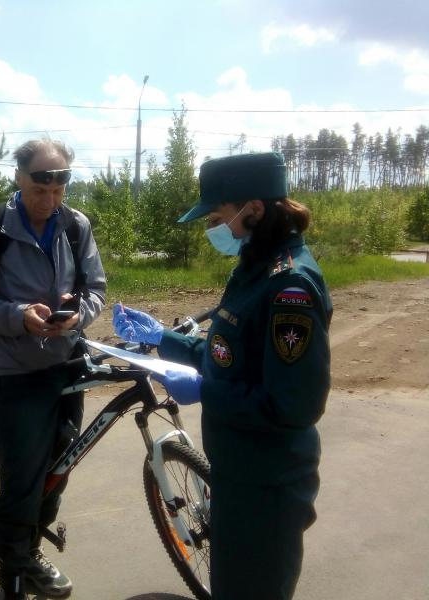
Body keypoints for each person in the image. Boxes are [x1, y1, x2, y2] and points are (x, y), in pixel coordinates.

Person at [113, 152, 332, 600]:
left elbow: (292, 406)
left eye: (217, 217)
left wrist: (205, 392)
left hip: (267, 487)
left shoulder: (289, 287)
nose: (212, 228)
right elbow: (226, 353)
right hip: (238, 475)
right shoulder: (253, 270)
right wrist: (161, 338)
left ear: (253, 209)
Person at [0, 139, 106, 599]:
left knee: (58, 469)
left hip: (68, 366)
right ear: (19, 177)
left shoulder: (76, 226)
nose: (52, 193)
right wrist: (18, 316)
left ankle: (30, 551)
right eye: (42, 181)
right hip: (18, 373)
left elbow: (95, 288)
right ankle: (15, 572)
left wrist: (80, 313)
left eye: (61, 182)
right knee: (22, 480)